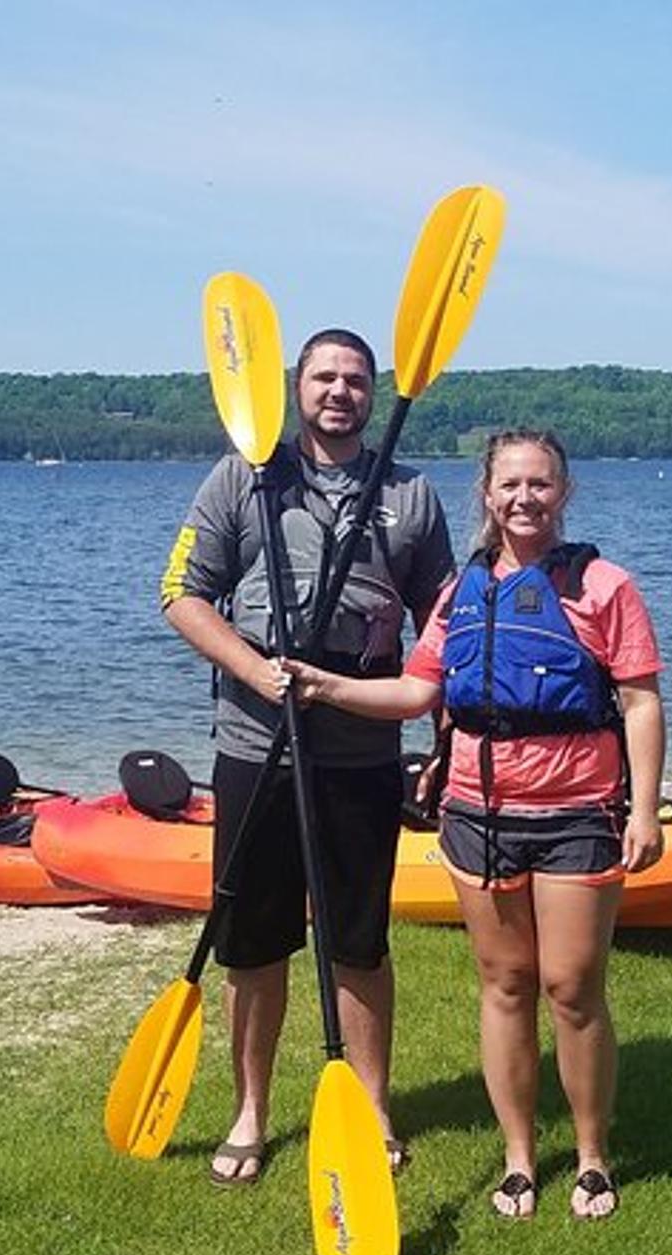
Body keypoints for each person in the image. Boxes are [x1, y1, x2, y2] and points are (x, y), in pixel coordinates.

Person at [286, 428, 665, 1221]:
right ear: (486, 495)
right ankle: (521, 1157)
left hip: (575, 814)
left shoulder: (603, 586)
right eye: (509, 485)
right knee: (505, 984)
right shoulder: (460, 594)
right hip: (477, 815)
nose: (524, 498)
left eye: (540, 484)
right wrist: (324, 686)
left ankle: (592, 1155)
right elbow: (417, 693)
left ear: (564, 492)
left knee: (572, 989)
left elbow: (639, 700)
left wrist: (643, 809)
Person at [160, 328, 455, 1187]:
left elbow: (443, 621)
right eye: (325, 376)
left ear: (373, 393)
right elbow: (180, 592)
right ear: (296, 388)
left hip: (361, 749)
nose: (340, 392)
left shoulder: (411, 495)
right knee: (252, 945)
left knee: (359, 944)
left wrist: (442, 723)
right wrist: (256, 669)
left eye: (356, 380)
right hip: (256, 744)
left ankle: (371, 1109)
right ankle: (250, 1111)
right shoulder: (243, 478)